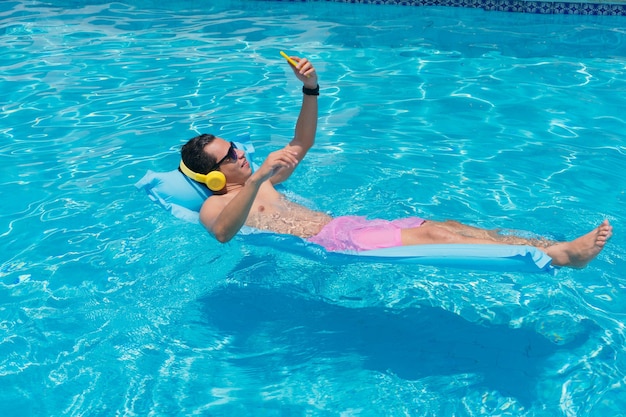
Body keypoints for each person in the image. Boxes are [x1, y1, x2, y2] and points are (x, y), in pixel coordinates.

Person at [180, 56, 612, 269]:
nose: (240, 151)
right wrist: (256, 179)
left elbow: (302, 140)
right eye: (230, 155)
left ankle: (546, 246)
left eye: (235, 144)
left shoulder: (264, 179)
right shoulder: (217, 204)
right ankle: (560, 258)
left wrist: (310, 88)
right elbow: (223, 234)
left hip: (351, 225)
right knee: (440, 239)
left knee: (450, 227)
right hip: (337, 245)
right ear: (215, 175)